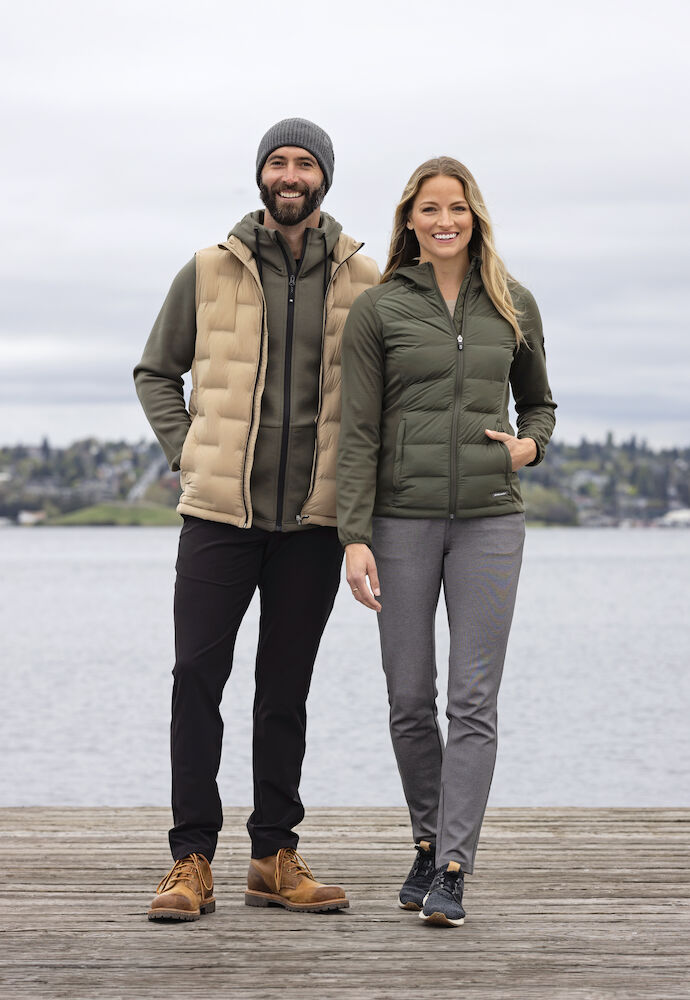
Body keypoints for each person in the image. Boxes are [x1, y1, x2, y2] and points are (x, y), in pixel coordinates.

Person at [134, 118, 379, 920]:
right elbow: (156, 371)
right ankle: (191, 861)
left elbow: (385, 397)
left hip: (312, 523)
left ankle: (274, 856)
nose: (290, 174)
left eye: (304, 162)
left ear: (324, 178)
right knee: (196, 682)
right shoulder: (209, 269)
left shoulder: (365, 279)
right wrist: (188, 450)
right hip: (218, 518)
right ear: (261, 175)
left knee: (284, 692)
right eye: (278, 161)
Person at [337, 157, 556, 927]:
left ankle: (455, 866)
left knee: (473, 700)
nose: (444, 221)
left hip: (491, 521)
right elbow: (357, 432)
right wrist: (353, 536)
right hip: (400, 523)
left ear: (475, 216)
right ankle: (428, 842)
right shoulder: (379, 310)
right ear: (411, 220)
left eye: (456, 208)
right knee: (408, 699)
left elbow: (540, 404)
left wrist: (530, 446)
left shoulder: (513, 302)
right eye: (429, 209)